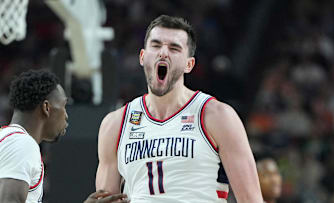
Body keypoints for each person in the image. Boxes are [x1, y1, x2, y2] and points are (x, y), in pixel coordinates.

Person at [96, 15, 263, 202]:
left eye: (174, 48)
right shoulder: (116, 123)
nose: (163, 53)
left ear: (189, 64)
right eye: (156, 45)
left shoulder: (217, 116)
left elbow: (251, 199)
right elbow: (105, 198)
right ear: (143, 57)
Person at [0, 70, 128, 203]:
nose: (66, 115)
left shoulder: (9, 139)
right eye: (63, 106)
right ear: (46, 108)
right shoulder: (21, 144)